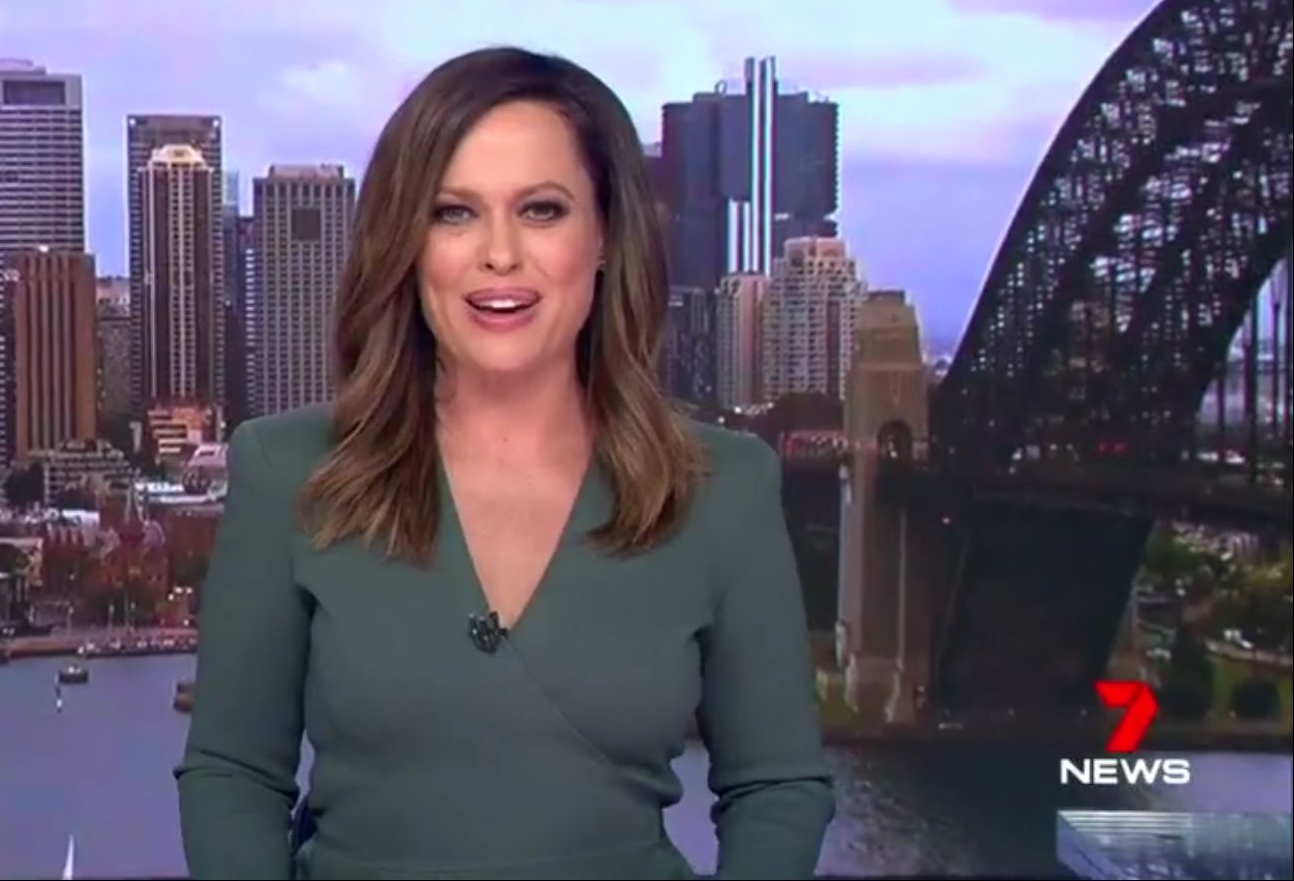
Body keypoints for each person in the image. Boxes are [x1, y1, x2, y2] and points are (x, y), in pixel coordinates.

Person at [175, 45, 836, 880]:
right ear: (408, 243)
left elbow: (778, 786)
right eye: (454, 213)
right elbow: (233, 774)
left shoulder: (722, 488)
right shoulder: (287, 471)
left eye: (542, 210)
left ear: (605, 235)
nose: (499, 254)